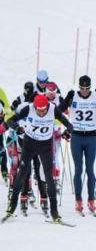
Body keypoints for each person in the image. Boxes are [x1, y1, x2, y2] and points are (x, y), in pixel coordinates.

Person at [1, 94, 74, 222]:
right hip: (29, 144)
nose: (41, 112)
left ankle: (54, 211)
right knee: (21, 173)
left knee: (48, 176)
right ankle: (12, 207)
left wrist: (68, 131)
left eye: (43, 109)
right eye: (39, 110)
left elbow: (68, 124)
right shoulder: (28, 109)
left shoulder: (52, 108)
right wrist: (17, 128)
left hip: (45, 146)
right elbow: (11, 121)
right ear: (35, 107)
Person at [60, 75, 96, 215]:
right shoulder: (73, 96)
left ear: (90, 87)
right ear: (79, 87)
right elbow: (60, 110)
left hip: (91, 137)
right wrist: (67, 98)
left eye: (87, 88)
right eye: (82, 88)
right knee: (78, 169)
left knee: (90, 170)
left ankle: (91, 200)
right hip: (77, 136)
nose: (84, 91)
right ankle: (78, 200)